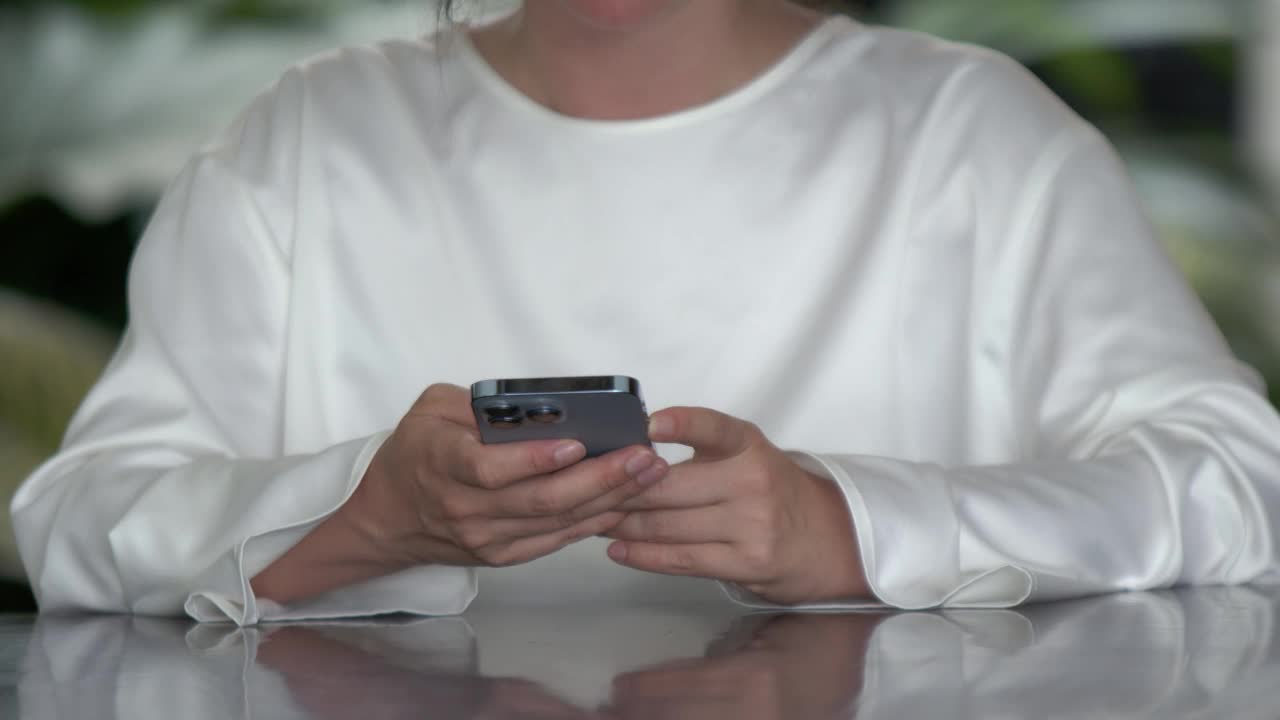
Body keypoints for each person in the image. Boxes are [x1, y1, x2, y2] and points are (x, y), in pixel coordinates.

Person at [11, 0, 1280, 626]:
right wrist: (366, 519)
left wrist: (855, 528)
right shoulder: (305, 141)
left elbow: (1235, 483)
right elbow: (77, 522)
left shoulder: (975, 136)